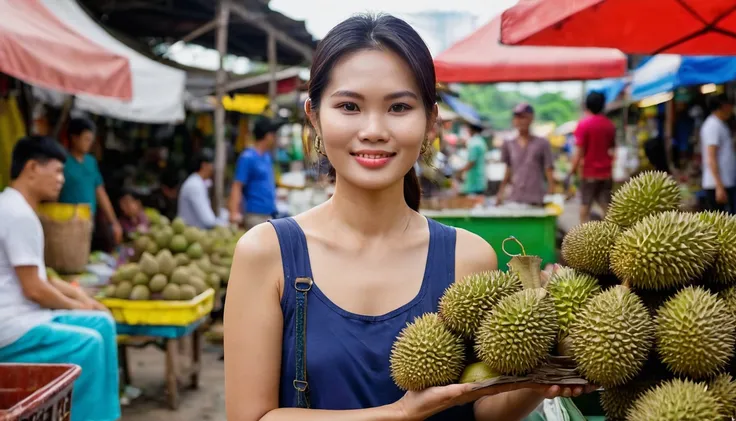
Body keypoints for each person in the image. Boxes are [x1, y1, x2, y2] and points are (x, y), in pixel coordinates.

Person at [223, 14, 593, 421]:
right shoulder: (266, 253)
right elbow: (251, 417)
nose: (374, 129)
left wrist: (537, 380)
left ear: (430, 121)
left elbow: (480, 406)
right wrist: (399, 414)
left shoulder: (469, 258)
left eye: (399, 107)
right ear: (314, 117)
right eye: (349, 106)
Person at [0, 136, 121, 421]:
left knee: (102, 322)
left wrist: (84, 301)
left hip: (26, 318)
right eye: (55, 171)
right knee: (89, 343)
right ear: (31, 168)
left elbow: (43, 278)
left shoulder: (14, 206)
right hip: (13, 327)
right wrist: (79, 305)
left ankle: (105, 414)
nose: (61, 179)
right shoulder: (18, 214)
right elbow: (35, 289)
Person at [58, 117, 123, 244]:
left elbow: (100, 193)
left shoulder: (91, 162)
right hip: (66, 222)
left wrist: (114, 222)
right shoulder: (63, 162)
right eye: (86, 139)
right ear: (74, 138)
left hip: (88, 221)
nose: (89, 143)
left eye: (90, 140)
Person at [569, 91, 617, 223]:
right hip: (606, 173)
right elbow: (612, 149)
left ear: (587, 105)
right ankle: (613, 235)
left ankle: (582, 238)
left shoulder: (584, 124)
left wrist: (572, 171)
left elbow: (579, 152)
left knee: (585, 206)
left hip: (589, 173)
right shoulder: (610, 125)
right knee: (607, 206)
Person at [228, 118, 283, 229]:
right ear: (267, 136)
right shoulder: (247, 157)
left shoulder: (267, 156)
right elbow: (237, 186)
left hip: (269, 214)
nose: (275, 138)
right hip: (255, 216)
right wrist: (234, 213)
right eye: (274, 134)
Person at [497, 103, 556, 207]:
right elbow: (508, 170)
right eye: (517, 117)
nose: (519, 121)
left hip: (536, 197)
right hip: (515, 197)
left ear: (531, 118)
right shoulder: (508, 143)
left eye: (523, 117)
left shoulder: (542, 143)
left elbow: (549, 169)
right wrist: (500, 192)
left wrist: (551, 193)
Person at [700, 93, 736, 214]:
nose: (732, 108)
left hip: (725, 182)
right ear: (723, 106)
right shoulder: (712, 126)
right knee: (722, 225)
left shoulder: (720, 124)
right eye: (730, 105)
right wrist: (719, 186)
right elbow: (711, 157)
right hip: (717, 185)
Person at [178, 148, 226, 229]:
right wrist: (225, 224)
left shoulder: (197, 182)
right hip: (192, 233)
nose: (212, 168)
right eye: (211, 165)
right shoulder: (195, 185)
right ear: (204, 165)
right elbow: (208, 220)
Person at [457, 122, 488, 196]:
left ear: (471, 130)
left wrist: (460, 172)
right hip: (480, 180)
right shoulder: (481, 141)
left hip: (474, 182)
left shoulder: (474, 143)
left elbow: (471, 162)